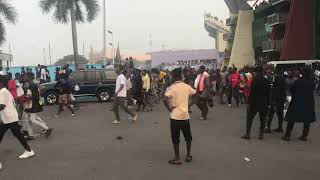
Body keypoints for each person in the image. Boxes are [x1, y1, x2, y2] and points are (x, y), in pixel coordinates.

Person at [163, 68, 196, 165]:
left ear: (173, 77)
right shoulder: (186, 86)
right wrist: (189, 105)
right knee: (188, 137)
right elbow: (195, 96)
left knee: (175, 138)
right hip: (185, 116)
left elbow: (164, 99)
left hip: (175, 116)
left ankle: (177, 158)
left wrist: (169, 108)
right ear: (181, 76)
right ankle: (188, 155)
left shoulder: (171, 87)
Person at [0, 75, 35, 159]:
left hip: (9, 118)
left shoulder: (3, 91)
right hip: (8, 118)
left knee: (18, 134)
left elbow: (1, 106)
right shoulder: (4, 91)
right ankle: (29, 151)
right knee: (18, 134)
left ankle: (29, 151)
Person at [282, 68, 316, 141]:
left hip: (297, 101)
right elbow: (313, 89)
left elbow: (292, 90)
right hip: (308, 102)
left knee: (291, 118)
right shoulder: (311, 82)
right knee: (307, 120)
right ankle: (304, 136)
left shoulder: (297, 82)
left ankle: (287, 135)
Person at [242, 66, 271, 140]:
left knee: (250, 118)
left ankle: (248, 134)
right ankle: (261, 134)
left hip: (254, 102)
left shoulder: (254, 81)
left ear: (257, 72)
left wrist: (248, 103)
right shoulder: (266, 81)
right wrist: (268, 103)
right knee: (262, 119)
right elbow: (268, 94)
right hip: (264, 103)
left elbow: (252, 93)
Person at [265, 68, 286, 133]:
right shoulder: (282, 79)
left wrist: (272, 100)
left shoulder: (277, 78)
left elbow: (275, 90)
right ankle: (280, 127)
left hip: (275, 100)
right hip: (281, 99)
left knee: (270, 114)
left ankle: (268, 128)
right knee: (280, 114)